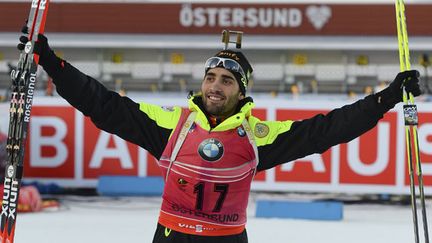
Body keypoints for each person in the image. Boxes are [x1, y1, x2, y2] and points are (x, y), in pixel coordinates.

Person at [17, 31, 421, 243]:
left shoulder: (257, 135)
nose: (215, 86)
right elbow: (102, 104)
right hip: (172, 236)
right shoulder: (172, 124)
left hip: (227, 240)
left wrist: (385, 98)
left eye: (226, 80)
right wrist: (53, 63)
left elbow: (329, 129)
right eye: (210, 77)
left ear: (240, 91)